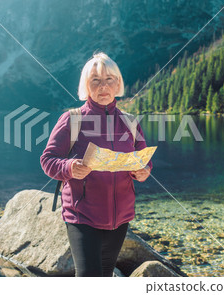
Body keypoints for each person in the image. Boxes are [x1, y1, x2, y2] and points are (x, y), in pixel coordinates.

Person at [40, 52, 152, 277]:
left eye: (109, 79)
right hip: (82, 216)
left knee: (106, 274)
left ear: (118, 83)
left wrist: (143, 172)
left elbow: (144, 159)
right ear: (86, 86)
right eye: (96, 81)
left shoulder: (130, 122)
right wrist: (70, 167)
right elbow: (48, 160)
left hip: (120, 218)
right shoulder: (73, 119)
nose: (103, 86)